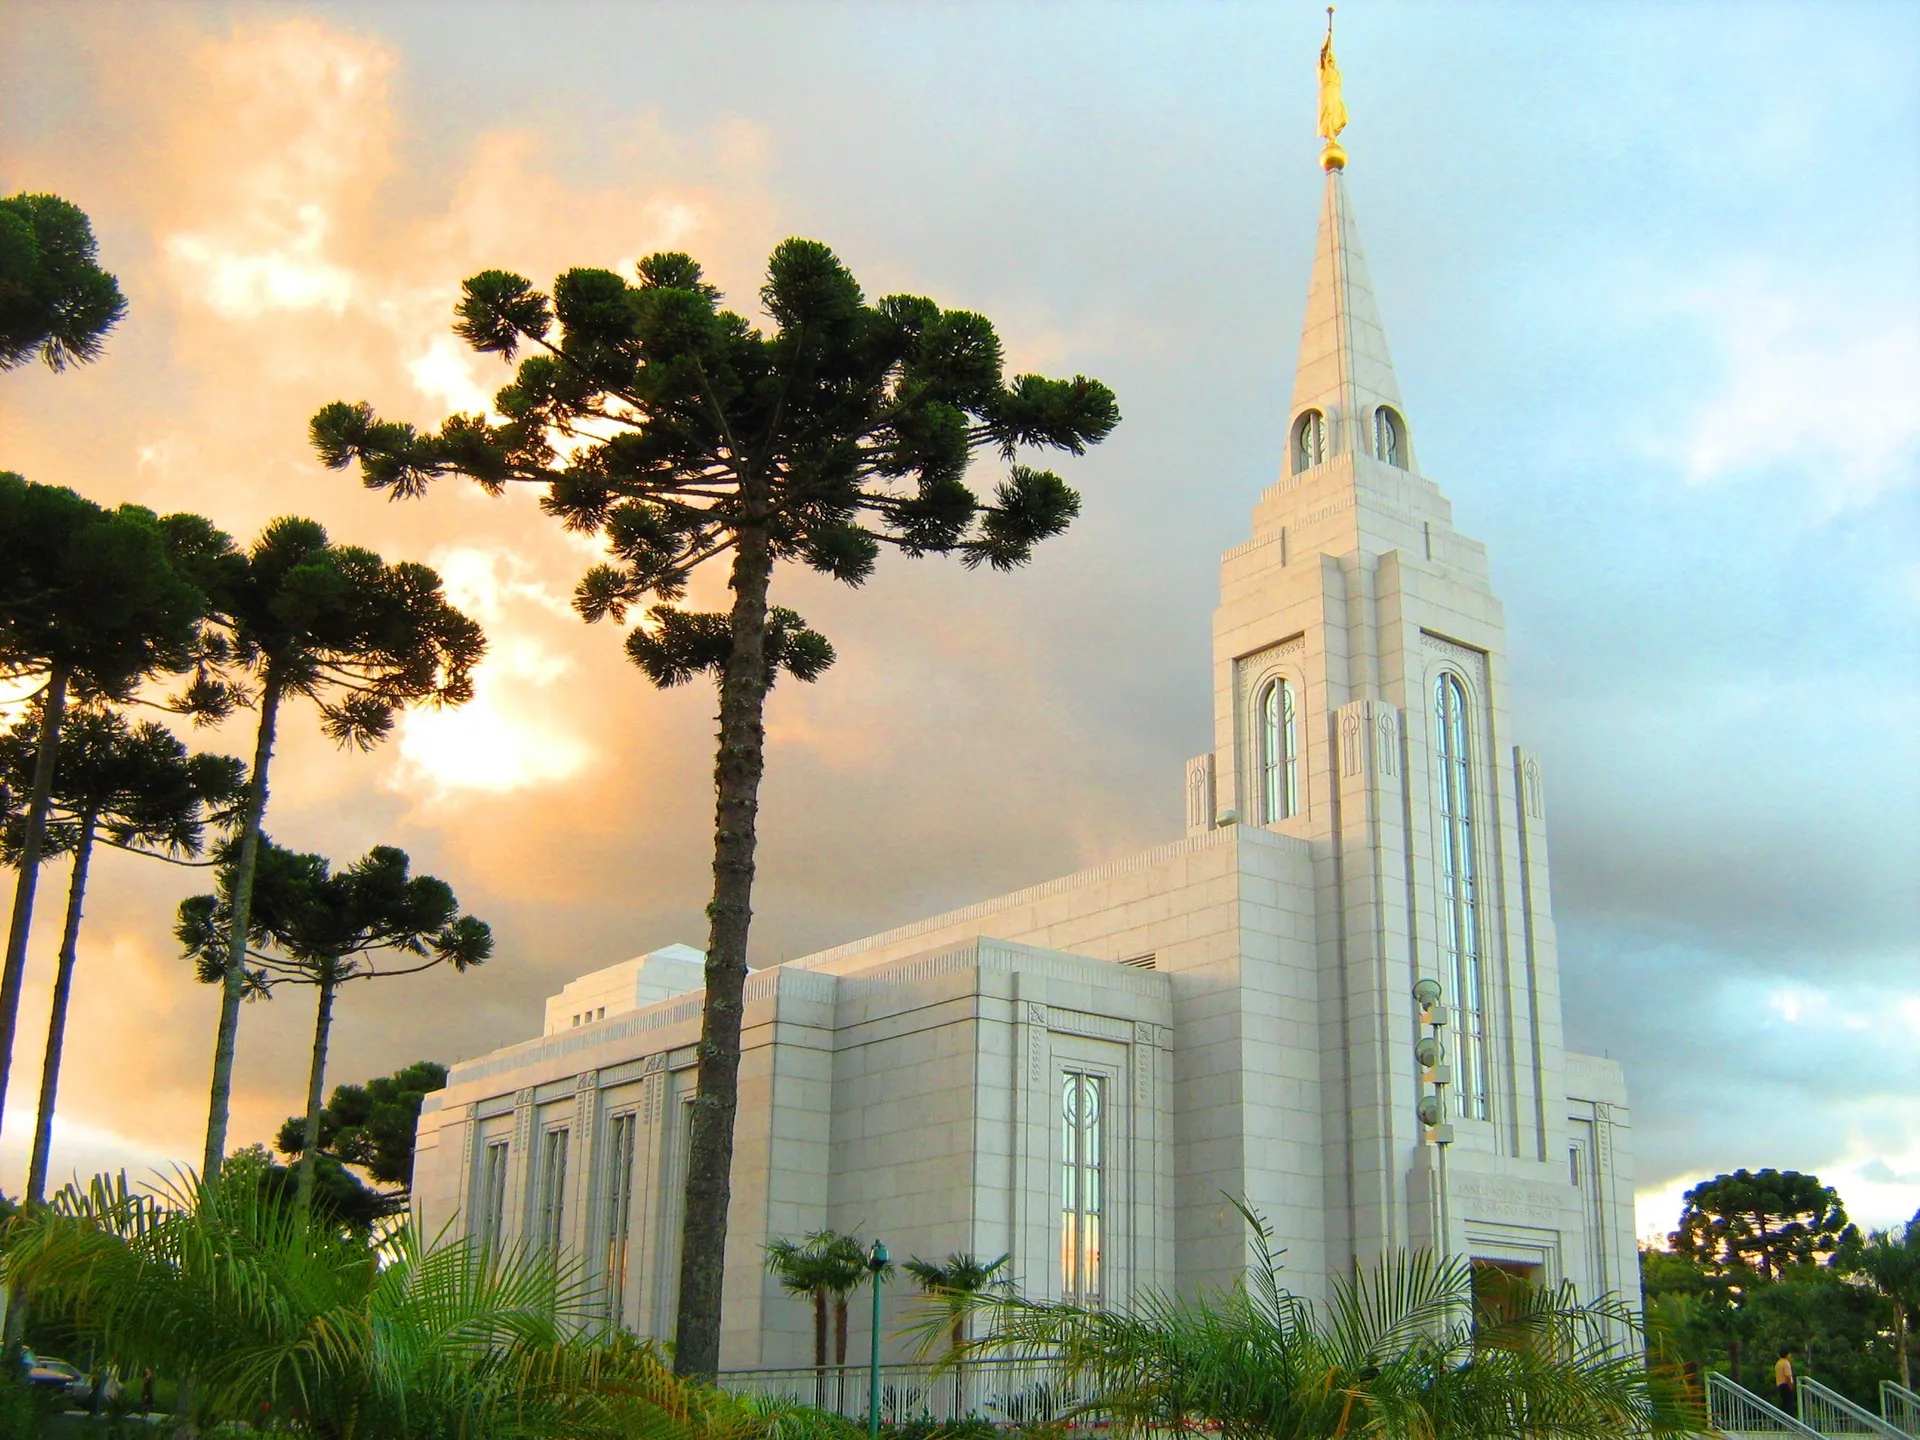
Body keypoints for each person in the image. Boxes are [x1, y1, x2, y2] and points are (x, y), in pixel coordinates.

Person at [1775, 1348, 1797, 1414]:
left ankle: (1779, 1420)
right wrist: (1791, 1386)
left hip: (1780, 1385)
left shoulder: (1778, 1363)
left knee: (1784, 1403)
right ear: (1787, 1355)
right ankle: (1785, 1419)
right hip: (1786, 1385)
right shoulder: (1786, 1363)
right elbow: (1787, 1376)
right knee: (1788, 1404)